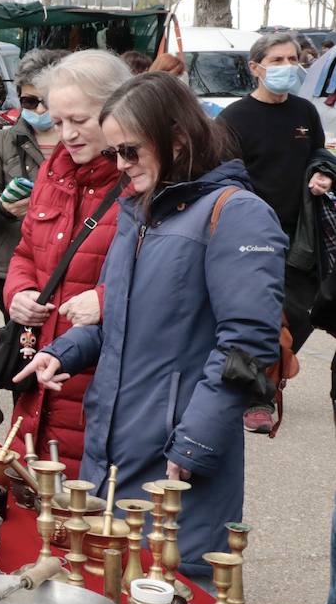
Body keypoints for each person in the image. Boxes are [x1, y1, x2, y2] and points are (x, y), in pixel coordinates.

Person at [18, 72, 285, 574]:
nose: (120, 165)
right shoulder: (141, 213)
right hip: (114, 451)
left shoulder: (237, 214)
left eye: (130, 152)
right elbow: (119, 317)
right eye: (115, 153)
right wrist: (65, 351)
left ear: (177, 140)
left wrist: (194, 445)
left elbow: (248, 346)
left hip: (174, 459)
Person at [0, 50, 131, 475]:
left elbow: (167, 282)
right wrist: (18, 293)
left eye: (80, 120)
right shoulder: (52, 173)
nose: (67, 135)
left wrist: (105, 299)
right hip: (39, 376)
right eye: (58, 123)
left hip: (99, 382)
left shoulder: (142, 184)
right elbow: (25, 253)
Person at [219, 31, 329, 432]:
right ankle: (257, 397)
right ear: (256, 68)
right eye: (278, 60)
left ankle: (264, 376)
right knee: (263, 315)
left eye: (293, 59)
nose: (288, 67)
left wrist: (321, 172)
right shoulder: (234, 119)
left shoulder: (304, 111)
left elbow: (319, 152)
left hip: (301, 232)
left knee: (303, 313)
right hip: (252, 234)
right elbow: (222, 176)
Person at [0, 49, 67, 322]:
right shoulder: (3, 140)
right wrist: (2, 205)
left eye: (48, 101)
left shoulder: (83, 142)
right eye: (30, 101)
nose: (41, 110)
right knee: (18, 347)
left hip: (69, 266)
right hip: (11, 263)